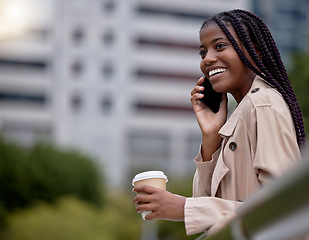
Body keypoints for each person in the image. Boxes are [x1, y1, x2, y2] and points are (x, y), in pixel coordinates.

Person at [133, 9, 306, 236]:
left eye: (220, 46)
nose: (208, 58)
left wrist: (184, 208)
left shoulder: (262, 104)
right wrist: (211, 136)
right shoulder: (241, 112)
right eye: (203, 52)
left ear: (253, 49)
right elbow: (206, 214)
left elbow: (284, 210)